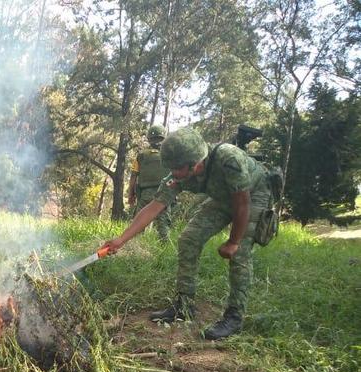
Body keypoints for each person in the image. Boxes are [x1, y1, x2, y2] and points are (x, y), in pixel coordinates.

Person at [105, 127, 273, 340]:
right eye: (171, 168)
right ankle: (184, 306)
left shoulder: (229, 159)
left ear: (196, 163)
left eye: (178, 169)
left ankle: (234, 316)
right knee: (189, 238)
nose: (174, 174)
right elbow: (155, 206)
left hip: (253, 195)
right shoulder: (179, 170)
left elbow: (242, 203)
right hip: (223, 198)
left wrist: (233, 242)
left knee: (240, 253)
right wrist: (121, 240)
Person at [127, 124, 172, 242]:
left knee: (138, 224)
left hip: (145, 195)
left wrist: (130, 195)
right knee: (163, 226)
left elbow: (133, 176)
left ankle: (135, 248)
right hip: (164, 194)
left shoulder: (141, 156)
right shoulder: (169, 155)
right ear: (164, 138)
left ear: (149, 139)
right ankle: (165, 250)